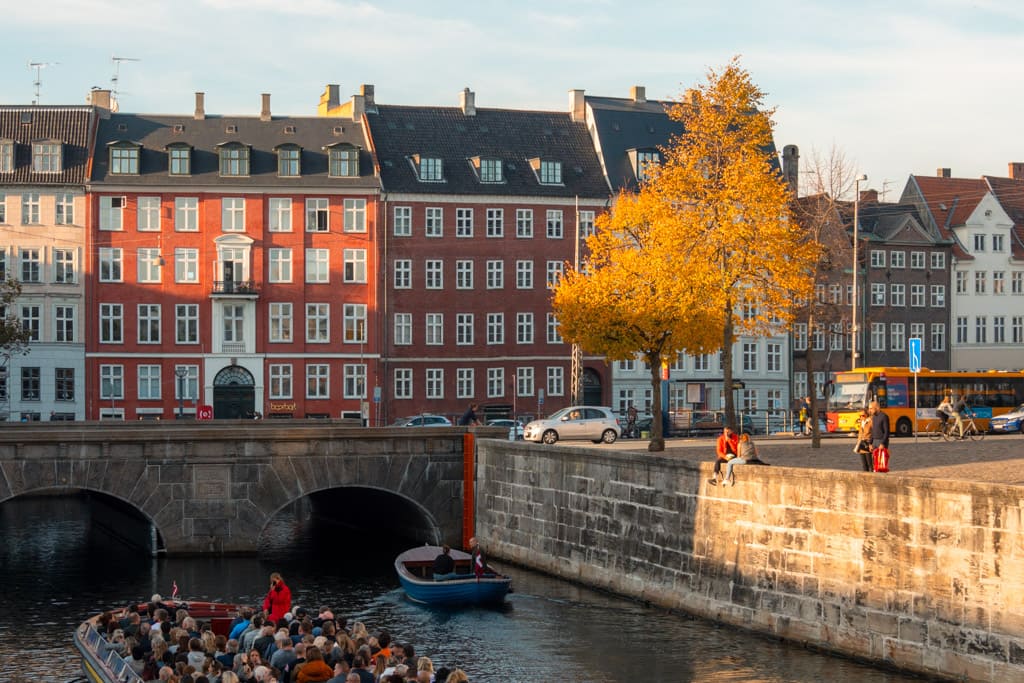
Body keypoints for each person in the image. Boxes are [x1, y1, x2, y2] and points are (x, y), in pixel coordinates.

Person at [868, 400, 890, 471]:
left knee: (882, 463)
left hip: (881, 442)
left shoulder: (884, 416)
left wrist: (883, 443)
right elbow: (873, 431)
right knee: (875, 463)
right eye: (869, 408)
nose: (869, 410)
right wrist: (870, 443)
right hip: (874, 441)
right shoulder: (874, 417)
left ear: (876, 407)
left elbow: (887, 432)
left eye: (871, 408)